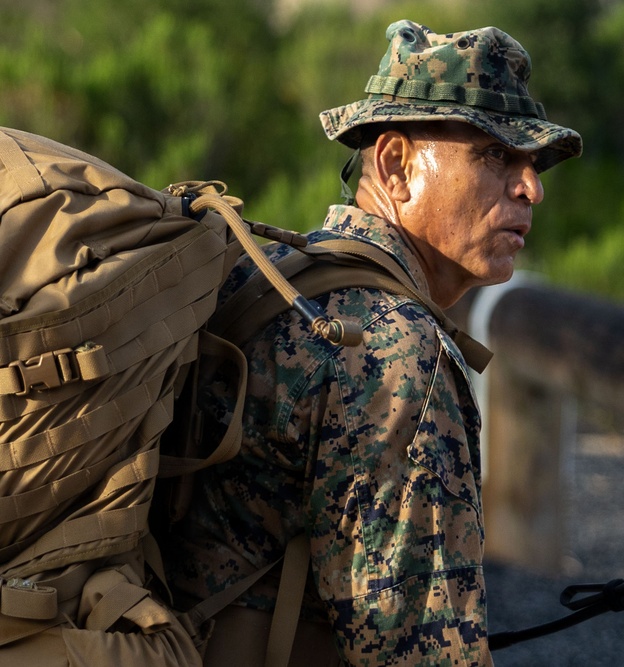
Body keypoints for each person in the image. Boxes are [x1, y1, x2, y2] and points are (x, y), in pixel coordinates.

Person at [164, 19, 582, 666]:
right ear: (396, 164)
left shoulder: (265, 280)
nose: (532, 188)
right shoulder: (393, 355)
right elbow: (417, 648)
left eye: (532, 163)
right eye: (495, 155)